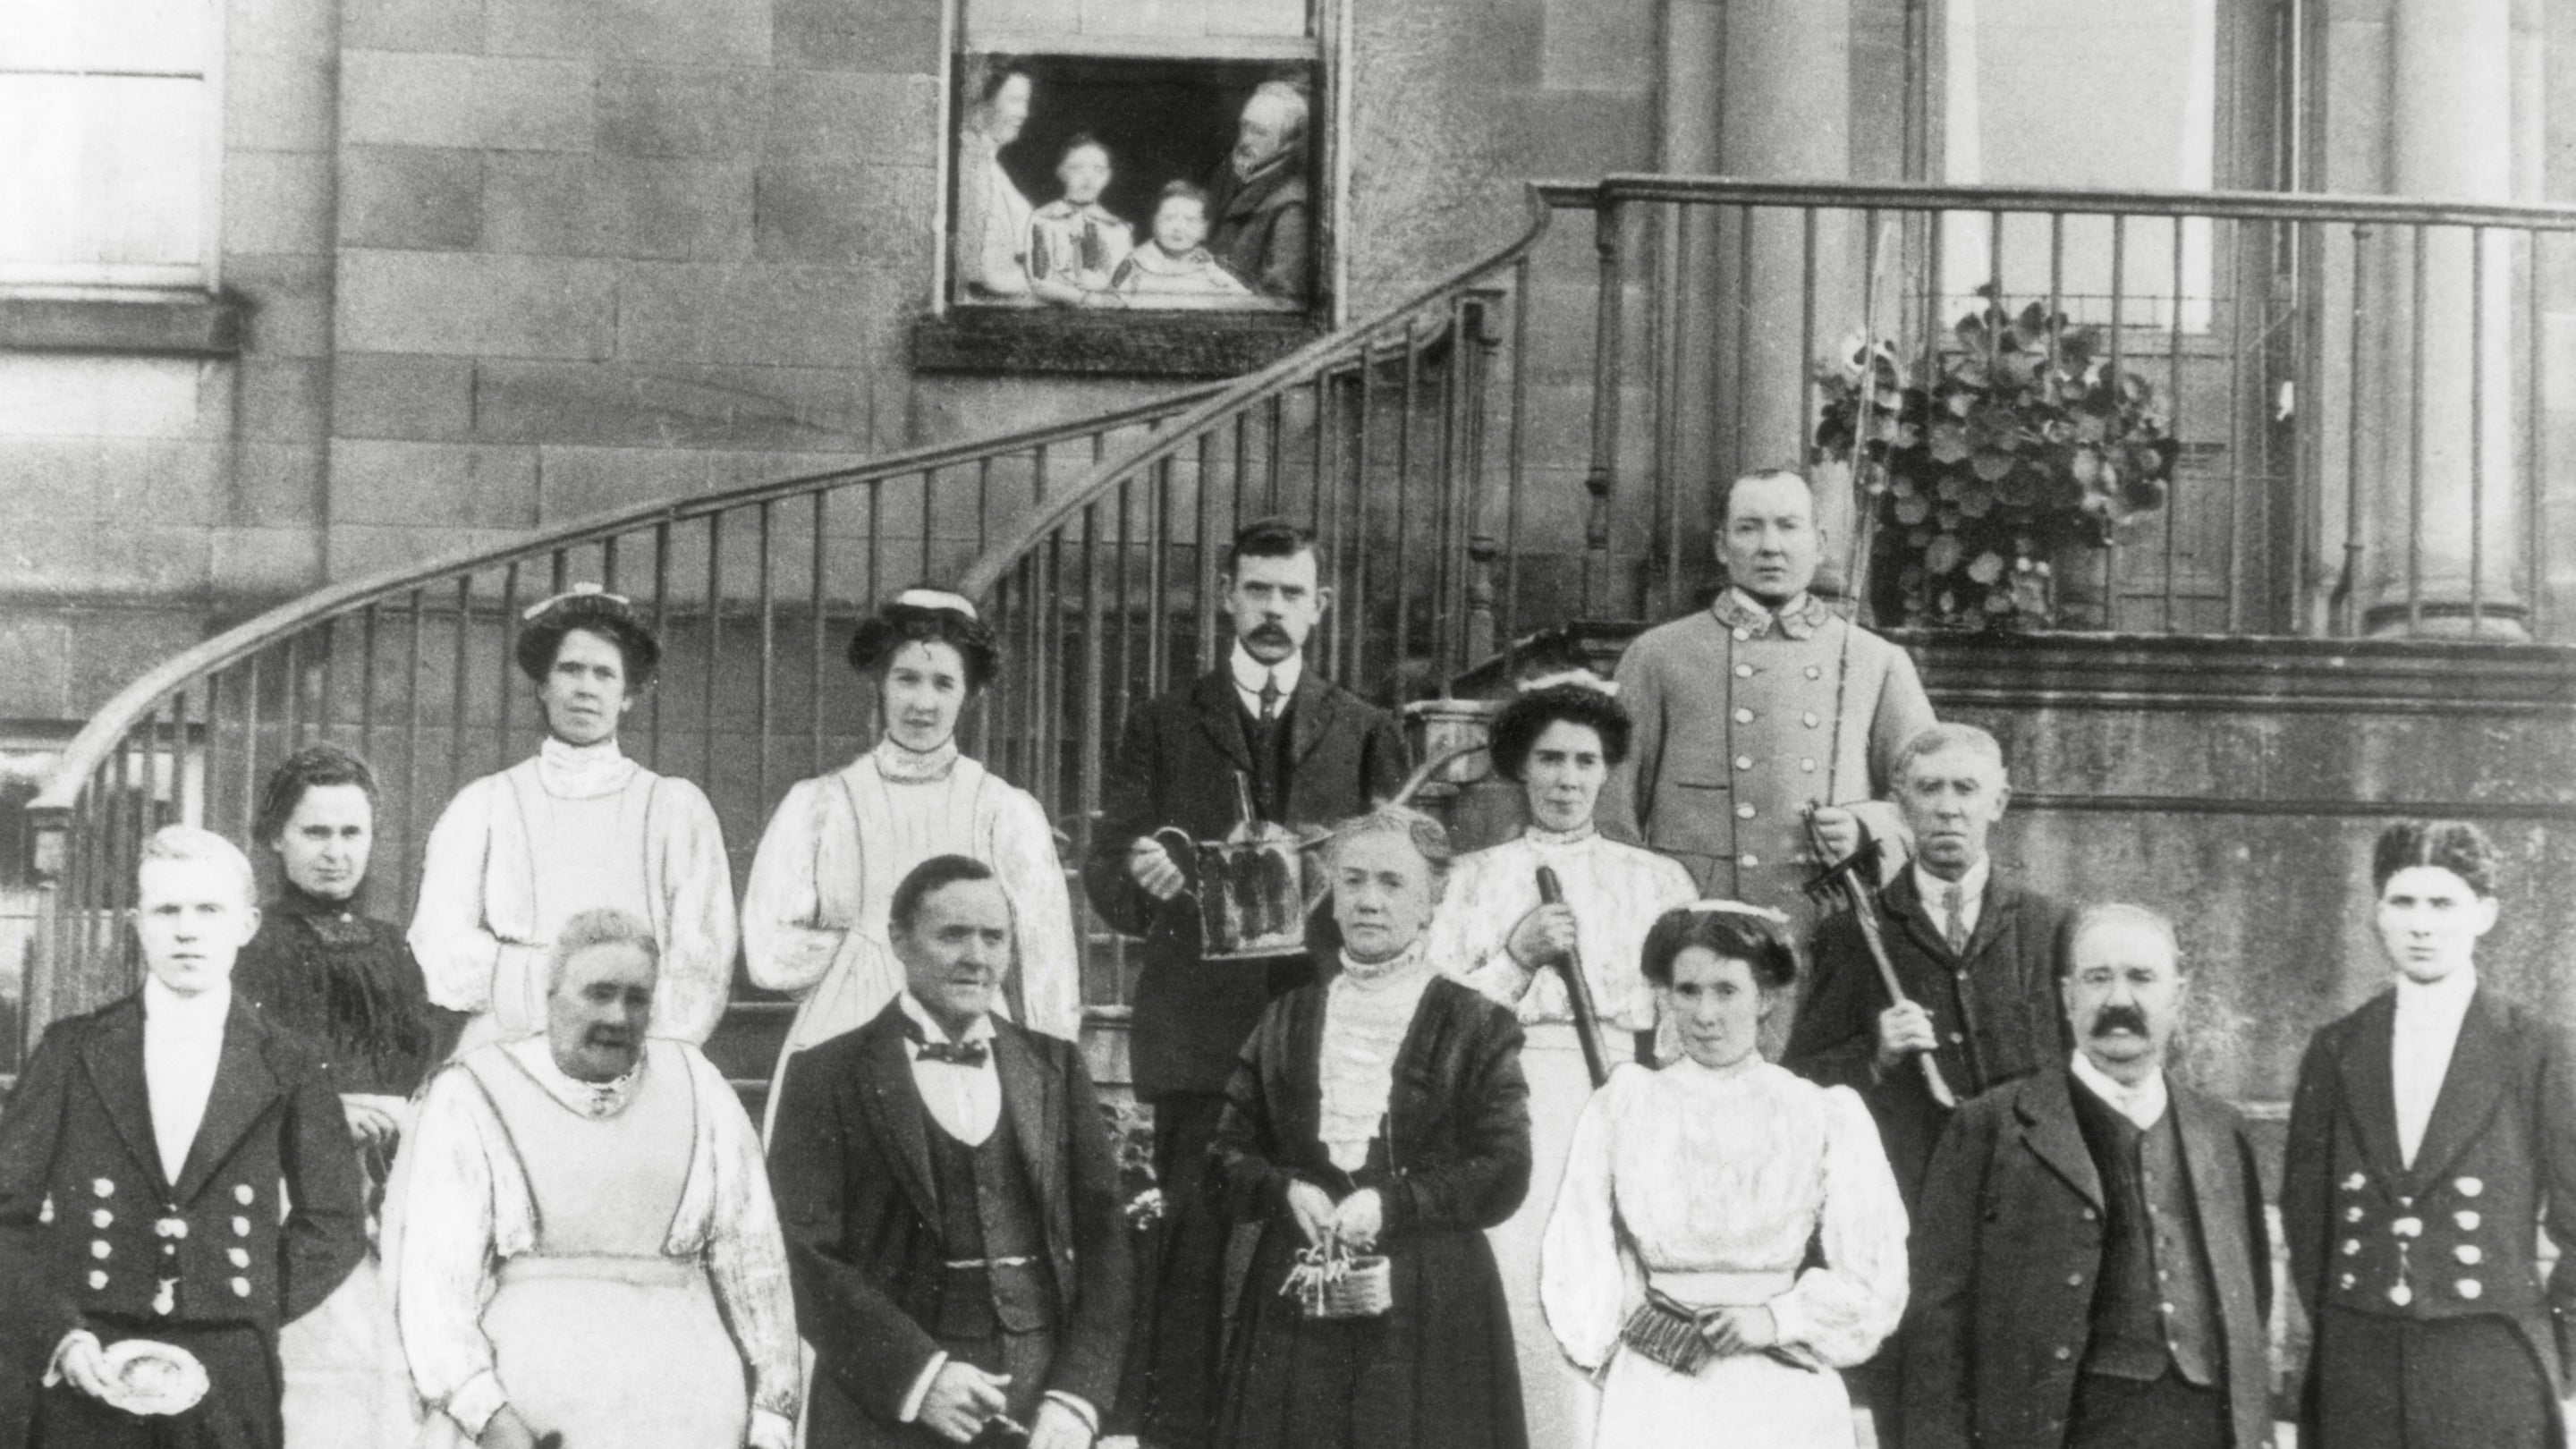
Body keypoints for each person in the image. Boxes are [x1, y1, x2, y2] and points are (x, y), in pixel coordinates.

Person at [1083, 516, 1410, 1449]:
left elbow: (1404, 871)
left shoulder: (1363, 730)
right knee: (1192, 1253)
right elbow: (1109, 868)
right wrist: (1141, 875)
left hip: (1325, 1035)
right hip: (1197, 1039)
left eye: (1292, 594)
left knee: (1318, 1237)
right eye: (1257, 591)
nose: (1273, 612)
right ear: (1226, 595)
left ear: (1321, 607)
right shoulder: (1161, 720)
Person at [0, 826, 367, 1449]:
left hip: (230, 1368)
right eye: (167, 910)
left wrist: (247, 1308)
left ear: (247, 925)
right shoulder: (72, 1050)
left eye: (208, 910)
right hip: (91, 1354)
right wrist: (60, 1332)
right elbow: (5, 1216)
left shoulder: (290, 1062)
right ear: (137, 923)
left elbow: (335, 1221)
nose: (187, 930)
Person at [385, 908, 801, 1449]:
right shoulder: (473, 1090)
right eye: (598, 993)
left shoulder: (697, 1083)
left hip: (688, 1406)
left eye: (636, 998)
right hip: (531, 1418)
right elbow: (435, 1289)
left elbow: (755, 1258)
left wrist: (773, 1414)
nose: (618, 1016)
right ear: (551, 996)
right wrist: (491, 1420)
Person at [768, 855, 1132, 1449]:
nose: (977, 957)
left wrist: (1079, 1396)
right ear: (899, 941)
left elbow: (1107, 1243)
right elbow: (803, 1255)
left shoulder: (1056, 1069)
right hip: (888, 1415)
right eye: (953, 935)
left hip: (1043, 1414)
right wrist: (920, 1378)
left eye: (994, 937)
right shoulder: (825, 1076)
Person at [1422, 676, 1695, 1449]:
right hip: (1513, 1099)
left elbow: (1676, 1016)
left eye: (1584, 760)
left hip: (1624, 1097)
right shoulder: (1472, 879)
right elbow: (1438, 1023)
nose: (1567, 780)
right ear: (1520, 768)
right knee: (1529, 1287)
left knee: (1617, 1285)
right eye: (1548, 760)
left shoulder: (1658, 881)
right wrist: (1516, 956)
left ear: (1607, 768)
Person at [1782, 723, 2072, 1443]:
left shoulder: (2051, 929)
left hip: (2022, 1216)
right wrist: (1873, 1055)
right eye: (1930, 790)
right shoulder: (1855, 933)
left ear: (1999, 802)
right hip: (1907, 1219)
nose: (1948, 808)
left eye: (1966, 790)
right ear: (1899, 804)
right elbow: (1799, 1089)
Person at [1211, 805, 1532, 1449]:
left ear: (1432, 899)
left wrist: (1392, 1202)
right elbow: (1226, 1151)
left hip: (1432, 1298)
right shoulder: (1286, 1018)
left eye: (1393, 884)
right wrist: (1286, 1190)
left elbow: (1505, 1169)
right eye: (1353, 882)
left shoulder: (1477, 1025)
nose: (1369, 901)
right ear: (1330, 896)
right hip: (1298, 1295)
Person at [1904, 904, 2273, 1449]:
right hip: (2064, 1428)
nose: (2119, 1000)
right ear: (2067, 995)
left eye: (2142, 978)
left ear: (2179, 994)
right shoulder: (1991, 1127)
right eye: (2098, 978)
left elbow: (2253, 1296)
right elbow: (1938, 1326)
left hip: (2201, 1425)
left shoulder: (2222, 1131)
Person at [1541, 904, 1908, 1449]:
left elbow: (1875, 1275)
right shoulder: (1626, 1104)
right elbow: (1577, 1244)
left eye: (1727, 991)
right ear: (1664, 995)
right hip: (1659, 1383)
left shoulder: (1820, 1112)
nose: (1705, 1014)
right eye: (1687, 991)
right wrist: (1616, 1345)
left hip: (1781, 1387)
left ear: (1765, 998)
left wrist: (1777, 1319)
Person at [744, 589, 1082, 1138]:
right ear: (879, 683)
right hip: (844, 1033)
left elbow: (1046, 970)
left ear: (968, 694)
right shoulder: (822, 804)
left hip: (969, 1030)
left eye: (943, 683)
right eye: (907, 679)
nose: (923, 703)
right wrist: (861, 948)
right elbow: (770, 954)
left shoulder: (1004, 811)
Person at [2282, 822, 2576, 1449]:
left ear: (2484, 915)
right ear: (2377, 914)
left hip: (2489, 1357)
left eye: (2443, 904)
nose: (2422, 925)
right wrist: (2340, 1331)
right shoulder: (2337, 1049)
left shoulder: (2536, 1049)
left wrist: (2556, 1352)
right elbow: (2307, 1214)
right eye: (2403, 902)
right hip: (2359, 1365)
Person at [1597, 466, 1936, 948]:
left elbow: (1931, 799)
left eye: (1788, 525)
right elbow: (1613, 810)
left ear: (1819, 543)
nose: (1770, 546)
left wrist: (1866, 829)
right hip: (1700, 923)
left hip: (1829, 923)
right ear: (1721, 545)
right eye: (1749, 527)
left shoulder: (1875, 660)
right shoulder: (1657, 655)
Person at [235, 743, 455, 1449]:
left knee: (392, 1369)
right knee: (315, 1364)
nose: (335, 852)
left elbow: (418, 1061)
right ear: (276, 837)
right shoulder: (252, 945)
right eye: (315, 832)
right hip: (293, 1178)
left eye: (351, 833)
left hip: (390, 1181)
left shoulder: (393, 947)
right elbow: (241, 1070)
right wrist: (323, 1115)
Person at [409, 584, 738, 1053]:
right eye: (570, 670)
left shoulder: (674, 809)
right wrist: (557, 988)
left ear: (628, 695)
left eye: (605, 674)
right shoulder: (485, 805)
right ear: (543, 686)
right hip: (511, 1046)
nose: (586, 688)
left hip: (635, 1045)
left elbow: (702, 958)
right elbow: (437, 944)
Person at [1203, 80, 1311, 301]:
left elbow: (1280, 300)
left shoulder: (1291, 206)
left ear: (1287, 144)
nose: (1244, 140)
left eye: (1259, 132)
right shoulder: (1226, 174)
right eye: (1245, 126)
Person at [954, 62, 1036, 301]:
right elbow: (979, 271)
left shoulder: (991, 167)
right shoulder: (972, 165)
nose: (1023, 113)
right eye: (1015, 100)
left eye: (1026, 102)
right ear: (983, 102)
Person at [1030, 135, 1135, 308]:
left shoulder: (1117, 228)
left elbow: (1122, 288)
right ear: (1060, 171)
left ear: (1108, 176)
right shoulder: (1044, 220)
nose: (1088, 178)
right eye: (1076, 168)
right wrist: (1084, 298)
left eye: (1098, 170)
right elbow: (1039, 280)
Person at [1111, 183, 1256, 307]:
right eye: (1169, 218)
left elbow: (1245, 303)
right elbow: (1112, 304)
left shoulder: (1214, 269)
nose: (1179, 228)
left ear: (1204, 229)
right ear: (1154, 223)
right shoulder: (1134, 265)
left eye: (1191, 221)